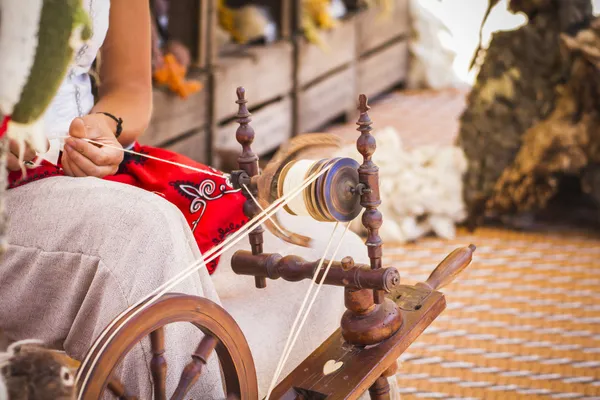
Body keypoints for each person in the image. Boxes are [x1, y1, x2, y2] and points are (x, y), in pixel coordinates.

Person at [0, 0, 371, 398]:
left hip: (83, 171)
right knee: (142, 233)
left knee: (331, 260)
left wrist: (103, 127)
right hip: (11, 195)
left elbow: (130, 89)